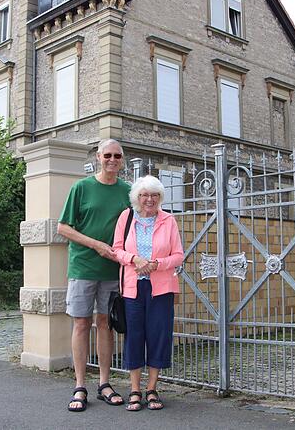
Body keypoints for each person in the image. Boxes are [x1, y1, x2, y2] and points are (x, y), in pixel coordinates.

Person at [58, 139, 130, 412]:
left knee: (105, 324)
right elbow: (63, 228)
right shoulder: (82, 187)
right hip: (83, 268)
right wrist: (97, 245)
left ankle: (104, 383)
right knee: (81, 324)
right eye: (108, 155)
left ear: (122, 160)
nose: (112, 159)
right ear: (99, 157)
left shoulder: (128, 191)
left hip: (113, 270)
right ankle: (79, 386)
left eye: (117, 156)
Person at [112, 175, 184, 411]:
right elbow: (117, 251)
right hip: (133, 288)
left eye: (154, 195)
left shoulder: (168, 220)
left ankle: (152, 388)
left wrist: (156, 263)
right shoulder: (127, 217)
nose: (149, 199)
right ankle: (134, 389)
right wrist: (134, 259)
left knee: (158, 336)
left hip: (161, 288)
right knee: (134, 336)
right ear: (137, 198)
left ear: (160, 198)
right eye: (144, 195)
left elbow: (178, 255)